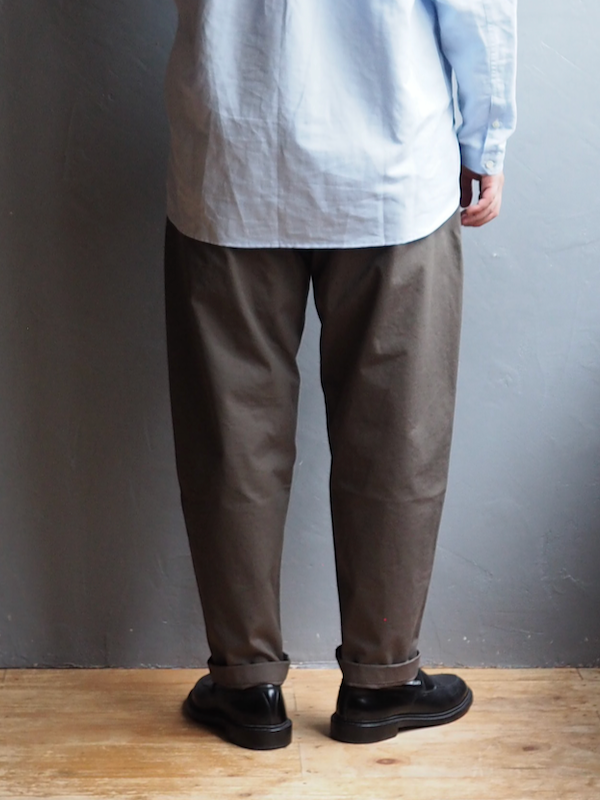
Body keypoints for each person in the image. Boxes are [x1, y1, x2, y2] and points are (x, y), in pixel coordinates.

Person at [163, 0, 517, 749]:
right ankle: (381, 683)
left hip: (232, 146)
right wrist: (485, 138)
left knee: (232, 439)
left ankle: (246, 687)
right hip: (390, 158)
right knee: (397, 435)